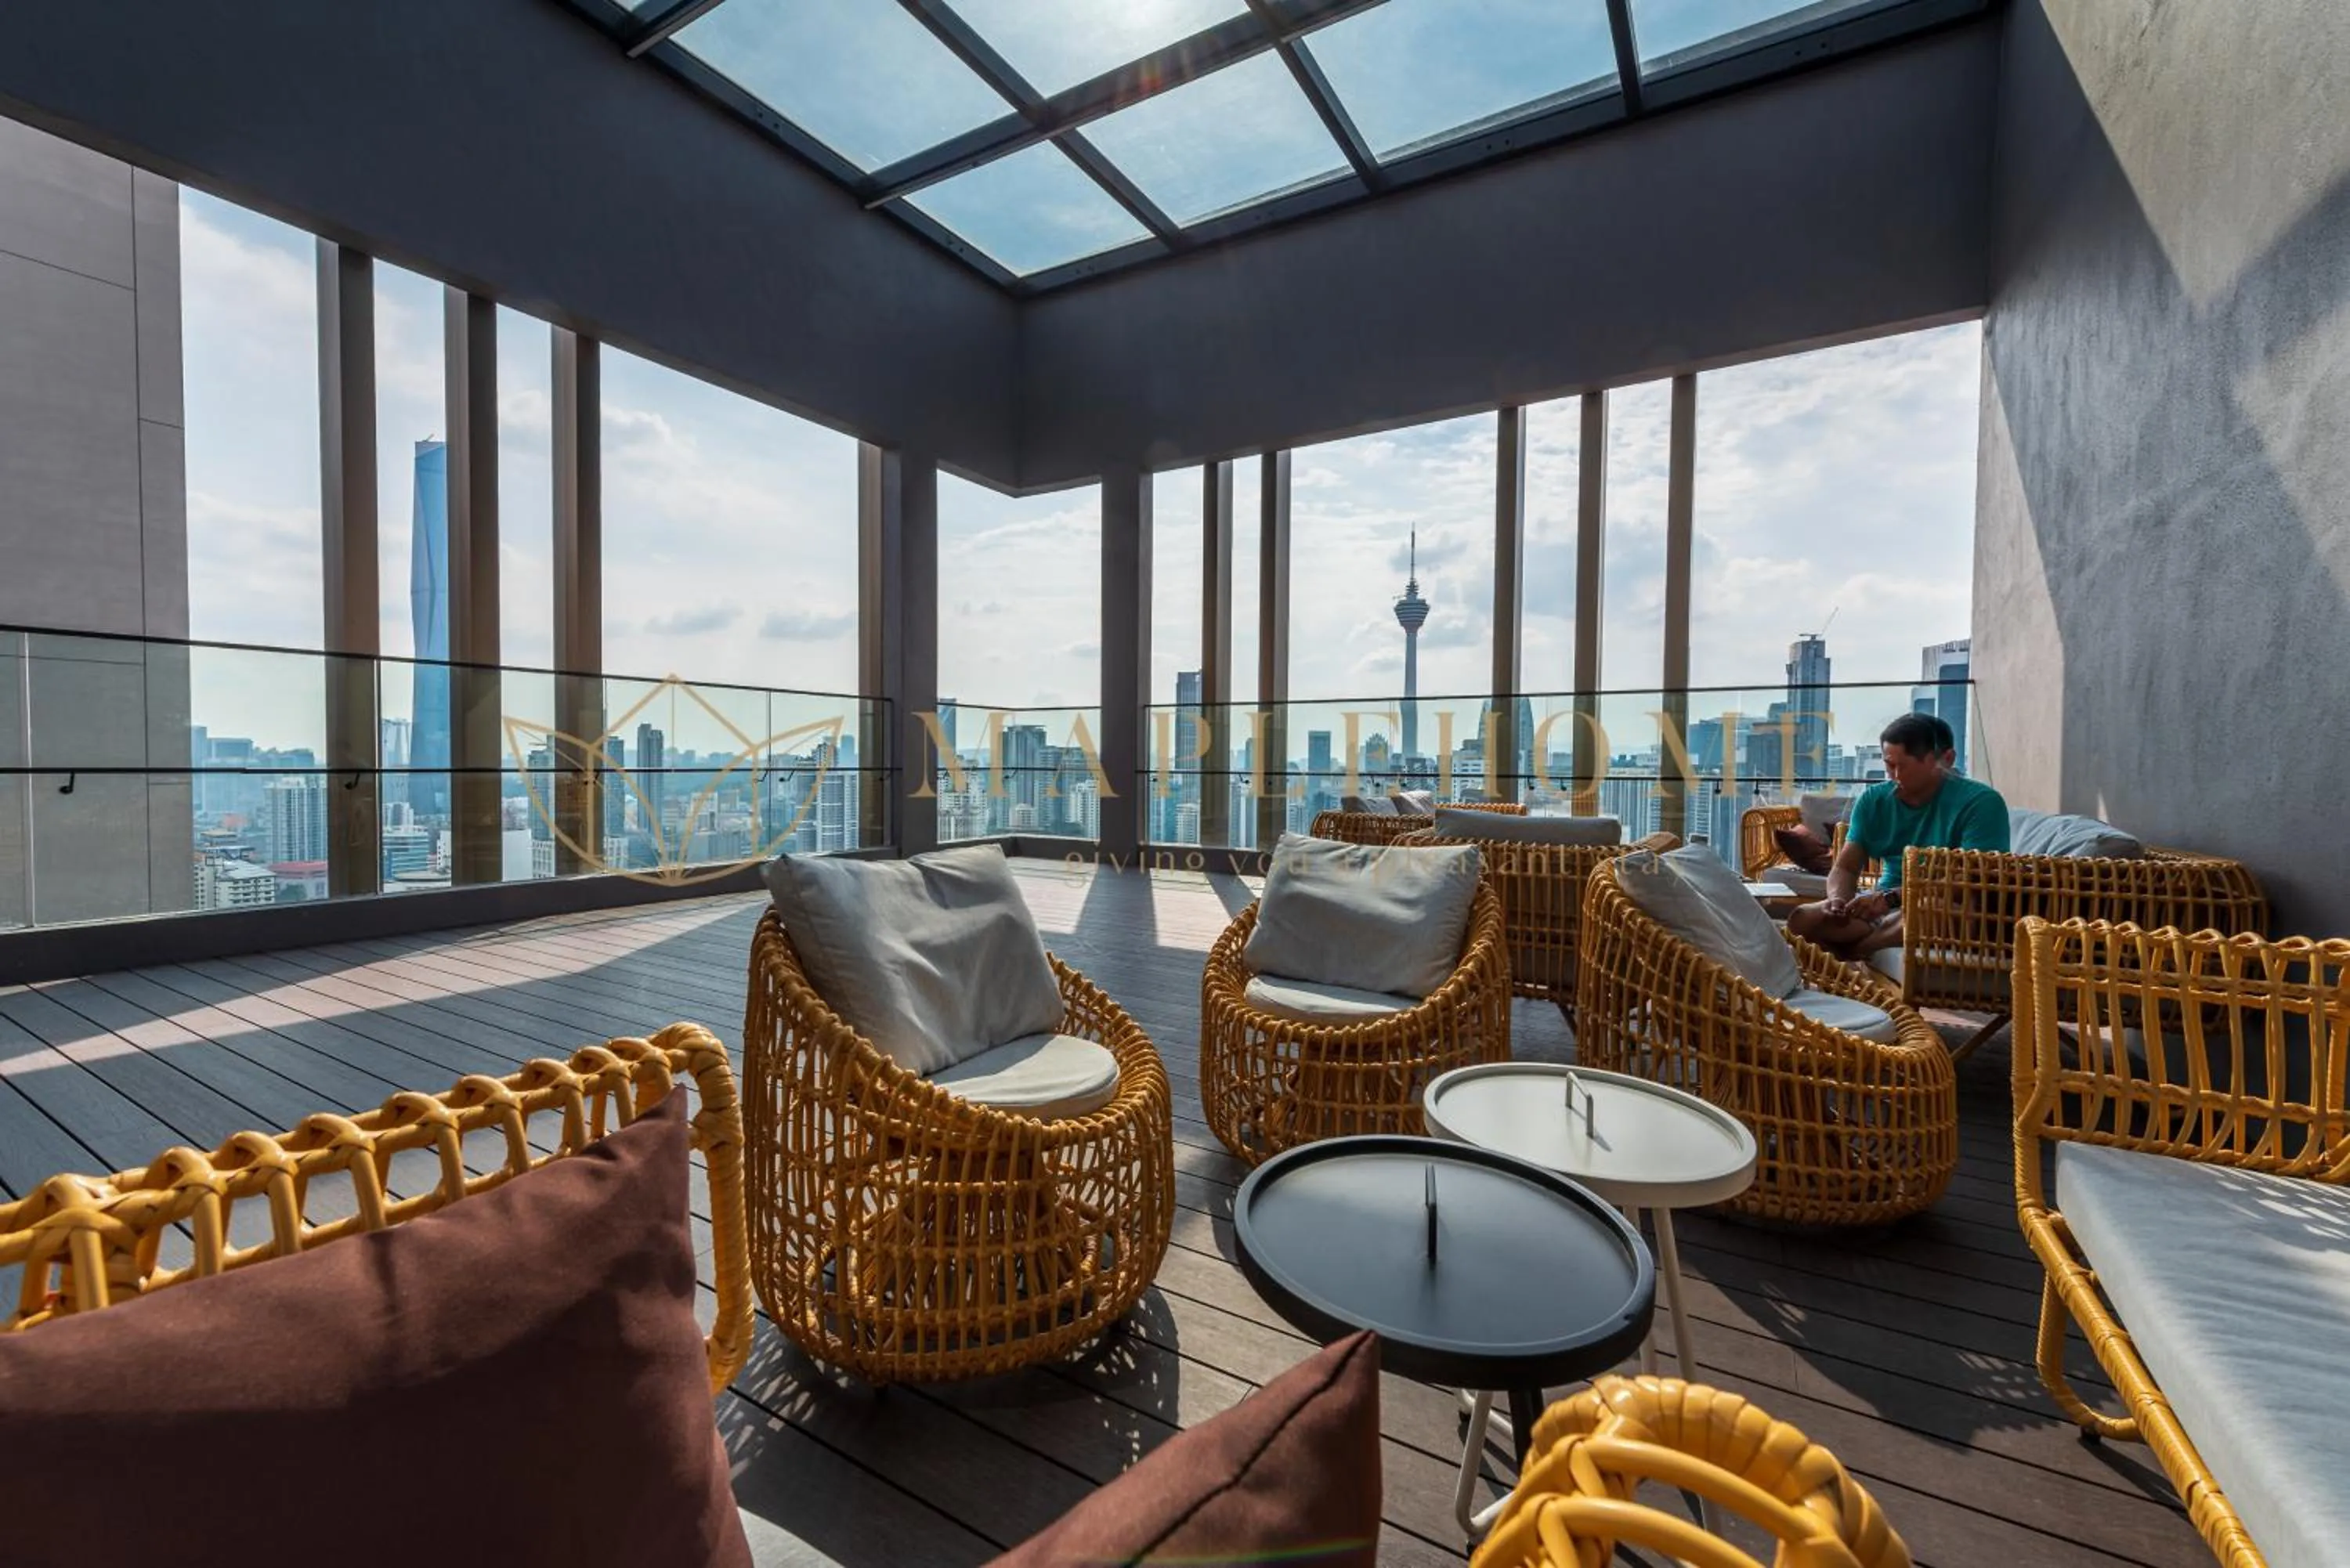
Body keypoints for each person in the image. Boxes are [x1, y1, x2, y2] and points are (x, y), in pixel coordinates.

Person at [1785, 714, 2008, 960]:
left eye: (1904, 766)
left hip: (1944, 911)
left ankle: (1858, 952)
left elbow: (1973, 880)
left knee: (1927, 910)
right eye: (1890, 765)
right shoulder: (1874, 800)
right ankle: (1866, 944)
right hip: (1882, 911)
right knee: (1803, 919)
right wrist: (1837, 900)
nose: (1895, 776)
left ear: (1941, 761)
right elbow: (1846, 867)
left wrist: (1892, 898)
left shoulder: (1981, 803)